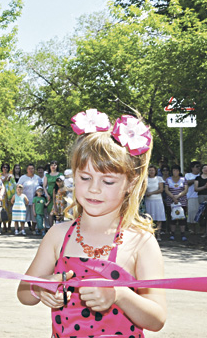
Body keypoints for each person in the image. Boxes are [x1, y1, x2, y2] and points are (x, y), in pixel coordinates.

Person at [18, 109, 166, 338]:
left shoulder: (141, 242)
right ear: (74, 176)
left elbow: (157, 319)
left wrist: (120, 295)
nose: (94, 188)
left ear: (130, 183)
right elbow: (24, 293)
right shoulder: (58, 235)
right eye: (85, 178)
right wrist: (41, 288)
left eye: (108, 181)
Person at [165, 164, 188, 241]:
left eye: (177, 170)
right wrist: (173, 197)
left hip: (182, 201)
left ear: (179, 171)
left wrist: (178, 196)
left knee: (182, 218)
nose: (175, 172)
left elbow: (185, 190)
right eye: (174, 170)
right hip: (171, 201)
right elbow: (166, 190)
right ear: (172, 171)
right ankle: (172, 234)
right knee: (172, 218)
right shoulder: (168, 180)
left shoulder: (183, 179)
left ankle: (183, 234)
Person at [18, 163, 41, 234]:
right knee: (24, 215)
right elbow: (18, 187)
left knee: (34, 216)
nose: (31, 170)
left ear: (34, 169)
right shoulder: (23, 178)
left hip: (35, 200)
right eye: (29, 169)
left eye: (32, 168)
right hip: (24, 200)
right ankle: (22, 229)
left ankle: (33, 229)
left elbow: (41, 187)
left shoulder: (37, 178)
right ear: (27, 170)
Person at [145, 165, 166, 241]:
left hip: (157, 200)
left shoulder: (159, 178)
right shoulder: (145, 179)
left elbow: (161, 189)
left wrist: (151, 193)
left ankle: (158, 234)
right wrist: (146, 193)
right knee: (149, 218)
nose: (151, 172)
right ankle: (150, 234)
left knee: (159, 218)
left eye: (152, 170)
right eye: (150, 170)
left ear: (155, 171)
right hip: (148, 201)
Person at [194, 163, 207, 238]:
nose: (206, 169)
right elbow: (196, 189)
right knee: (203, 214)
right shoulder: (198, 178)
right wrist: (204, 187)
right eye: (204, 168)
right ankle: (204, 231)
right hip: (201, 197)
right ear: (202, 170)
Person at [44, 161, 64, 229]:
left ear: (57, 166)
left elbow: (63, 184)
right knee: (50, 212)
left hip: (58, 194)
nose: (53, 166)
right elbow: (44, 186)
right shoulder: (47, 175)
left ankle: (59, 228)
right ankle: (51, 228)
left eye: (55, 165)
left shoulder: (60, 174)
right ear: (49, 167)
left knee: (59, 210)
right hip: (49, 194)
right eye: (52, 165)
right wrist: (47, 194)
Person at [184, 161, 201, 234]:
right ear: (192, 168)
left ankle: (201, 229)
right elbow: (186, 183)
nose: (199, 168)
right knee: (191, 212)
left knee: (200, 213)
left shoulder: (202, 174)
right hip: (191, 196)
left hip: (200, 196)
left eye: (199, 166)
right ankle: (192, 229)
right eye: (197, 166)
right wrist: (196, 180)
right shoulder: (188, 175)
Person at [0, 163, 14, 233]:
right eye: (4, 167)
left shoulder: (11, 176)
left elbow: (14, 185)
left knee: (10, 211)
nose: (5, 168)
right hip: (3, 195)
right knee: (4, 210)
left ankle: (9, 226)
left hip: (10, 195)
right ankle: (4, 226)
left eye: (6, 167)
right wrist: (5, 178)